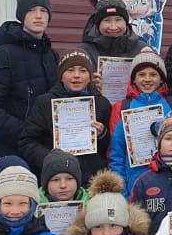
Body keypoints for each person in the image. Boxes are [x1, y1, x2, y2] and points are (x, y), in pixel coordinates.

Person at [0, 0, 59, 160]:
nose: (38, 15)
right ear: (22, 15)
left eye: (43, 11)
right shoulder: (5, 53)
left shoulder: (52, 56)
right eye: (31, 10)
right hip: (15, 153)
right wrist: (26, 132)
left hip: (47, 153)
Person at [19, 49, 111, 185]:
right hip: (57, 180)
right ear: (61, 75)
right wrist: (51, 159)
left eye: (83, 71)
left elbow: (110, 147)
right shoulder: (44, 103)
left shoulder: (101, 103)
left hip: (92, 180)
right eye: (70, 70)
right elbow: (27, 142)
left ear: (91, 76)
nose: (76, 76)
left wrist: (102, 134)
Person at [108, 48, 172, 196]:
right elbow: (116, 154)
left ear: (162, 79)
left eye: (153, 74)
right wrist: (121, 191)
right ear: (133, 79)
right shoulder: (122, 107)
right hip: (134, 185)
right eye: (141, 74)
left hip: (168, 183)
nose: (147, 79)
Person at [79, 0, 148, 98]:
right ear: (98, 24)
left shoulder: (142, 50)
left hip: (132, 109)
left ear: (126, 22)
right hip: (98, 109)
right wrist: (87, 86)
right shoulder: (83, 51)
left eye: (118, 20)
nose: (113, 26)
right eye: (107, 20)